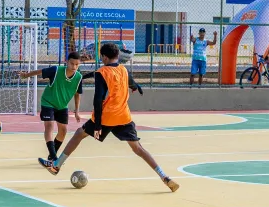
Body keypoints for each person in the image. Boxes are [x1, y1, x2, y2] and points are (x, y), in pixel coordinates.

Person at [38, 42, 179, 193]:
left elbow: (98, 100)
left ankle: (56, 165)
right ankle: (164, 176)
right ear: (117, 56)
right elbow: (130, 81)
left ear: (104, 57)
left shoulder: (102, 72)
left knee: (79, 134)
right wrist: (135, 86)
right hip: (124, 116)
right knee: (138, 148)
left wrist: (98, 125)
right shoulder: (123, 70)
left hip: (106, 117)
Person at [19, 52, 85, 162]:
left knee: (63, 131)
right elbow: (40, 72)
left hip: (62, 105)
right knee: (49, 125)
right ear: (67, 62)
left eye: (77, 64)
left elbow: (77, 94)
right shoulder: (56, 70)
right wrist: (26, 75)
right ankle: (54, 157)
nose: (74, 66)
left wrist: (77, 111)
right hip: (48, 102)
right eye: (72, 63)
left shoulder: (78, 77)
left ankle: (51, 156)